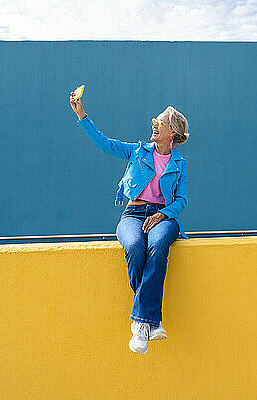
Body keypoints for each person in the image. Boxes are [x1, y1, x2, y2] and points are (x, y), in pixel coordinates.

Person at [69, 90, 189, 355]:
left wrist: (163, 214)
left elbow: (181, 200)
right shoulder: (137, 151)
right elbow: (104, 144)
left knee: (157, 246)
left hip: (164, 216)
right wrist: (81, 115)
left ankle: (139, 325)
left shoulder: (180, 163)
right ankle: (151, 322)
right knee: (134, 246)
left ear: (172, 132)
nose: (154, 124)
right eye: (155, 121)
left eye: (160, 122)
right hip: (133, 214)